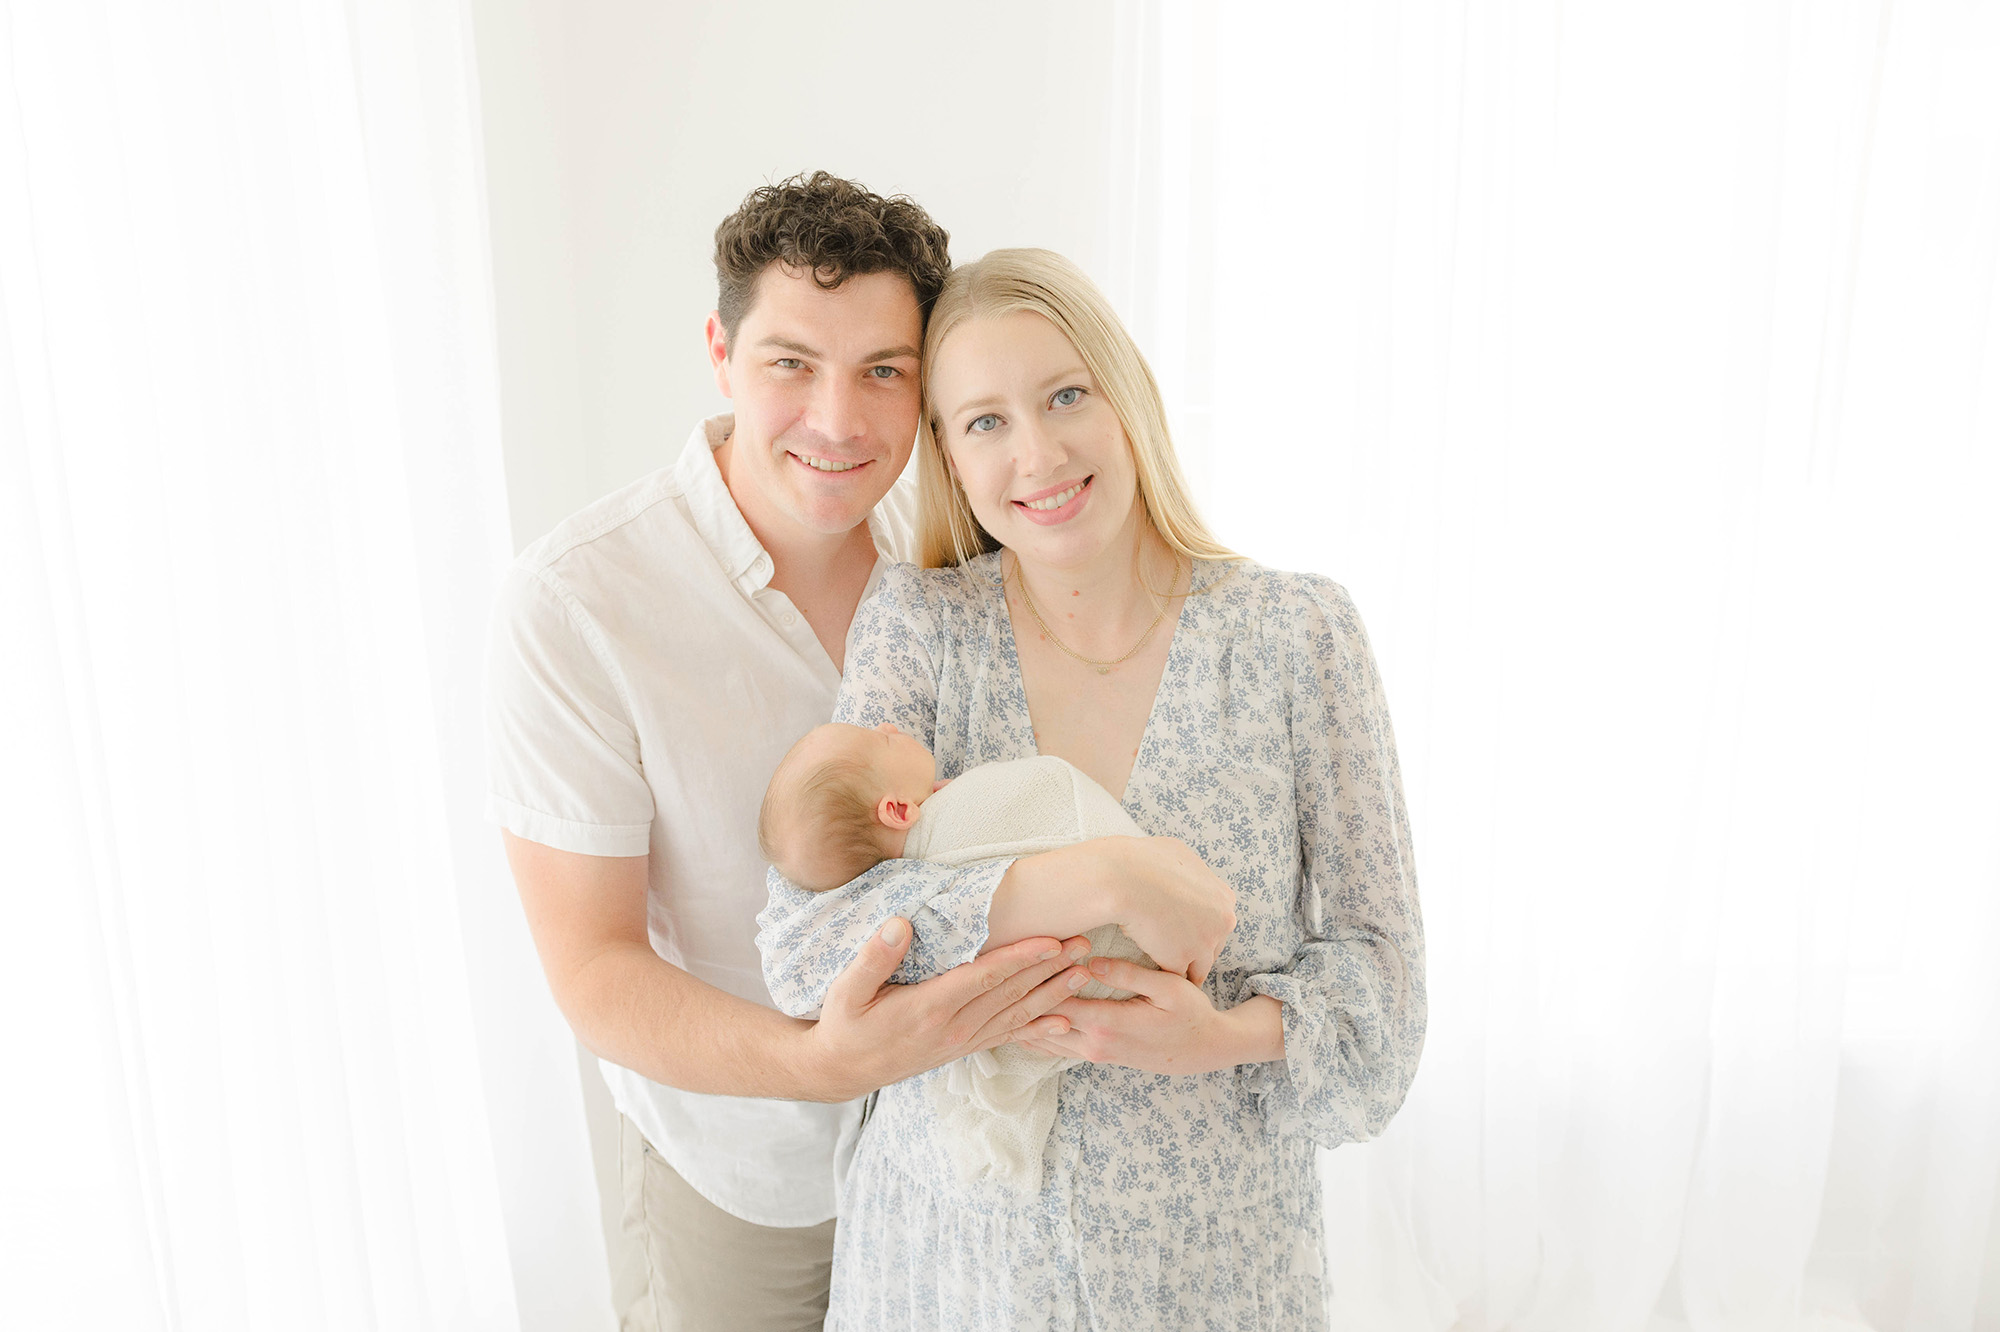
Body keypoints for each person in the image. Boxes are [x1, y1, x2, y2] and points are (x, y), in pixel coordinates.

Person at [756, 249, 1427, 1329]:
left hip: (1208, 1269)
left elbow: (1382, 1002)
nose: (1036, 451)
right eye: (982, 421)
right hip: (951, 1273)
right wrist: (1091, 879)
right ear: (945, 456)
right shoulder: (922, 629)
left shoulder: (1296, 637)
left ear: (1128, 400)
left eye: (1065, 395)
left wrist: (1218, 1036)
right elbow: (805, 947)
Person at [485, 175, 1106, 1332]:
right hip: (748, 1172)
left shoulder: (962, 559)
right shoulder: (578, 601)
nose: (836, 420)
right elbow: (594, 970)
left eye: (882, 370)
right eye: (788, 364)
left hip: (967, 1151)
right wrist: (818, 1062)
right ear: (719, 353)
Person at [757, 723, 1158, 1196]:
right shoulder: (911, 902)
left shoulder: (888, 882)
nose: (888, 726)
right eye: (882, 740)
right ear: (900, 810)